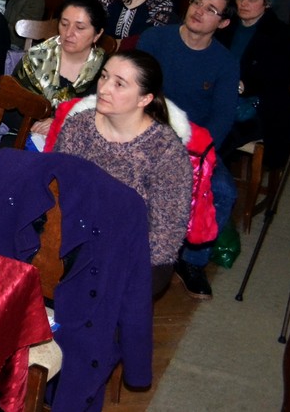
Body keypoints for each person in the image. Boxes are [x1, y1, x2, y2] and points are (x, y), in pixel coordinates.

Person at [46, 50, 194, 296]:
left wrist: (116, 265)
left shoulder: (166, 152)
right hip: (73, 233)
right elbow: (54, 190)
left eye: (119, 84)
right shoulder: (78, 126)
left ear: (144, 99)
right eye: (104, 77)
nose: (103, 89)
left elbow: (166, 235)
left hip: (134, 249)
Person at [138, 0, 239, 299]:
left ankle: (192, 261)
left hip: (195, 143)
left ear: (222, 23)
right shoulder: (156, 38)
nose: (199, 11)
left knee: (224, 191)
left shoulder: (225, 62)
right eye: (197, 1)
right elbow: (136, 89)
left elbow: (223, 117)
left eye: (212, 9)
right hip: (146, 129)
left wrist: (191, 152)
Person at [220, 0, 290, 171]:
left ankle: (211, 187)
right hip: (221, 98)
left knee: (219, 134)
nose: (243, 3)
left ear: (267, 2)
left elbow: (275, 79)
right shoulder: (226, 27)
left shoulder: (282, 34)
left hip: (260, 107)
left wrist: (239, 85)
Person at [16, 0, 108, 115]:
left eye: (79, 28)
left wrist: (58, 123)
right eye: (64, 24)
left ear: (97, 34)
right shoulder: (36, 58)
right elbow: (10, 104)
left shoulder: (106, 72)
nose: (68, 33)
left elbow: (103, 120)